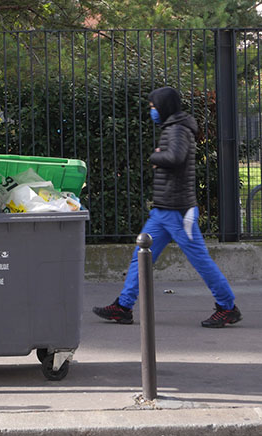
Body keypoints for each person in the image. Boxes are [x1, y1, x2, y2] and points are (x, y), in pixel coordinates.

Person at [93, 86, 242, 328]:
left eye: (153, 107)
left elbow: (175, 158)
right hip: (163, 210)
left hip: (179, 211)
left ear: (164, 107)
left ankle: (227, 307)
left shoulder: (178, 130)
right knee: (139, 258)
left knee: (200, 260)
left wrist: (155, 156)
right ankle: (123, 306)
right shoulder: (173, 128)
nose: (152, 111)